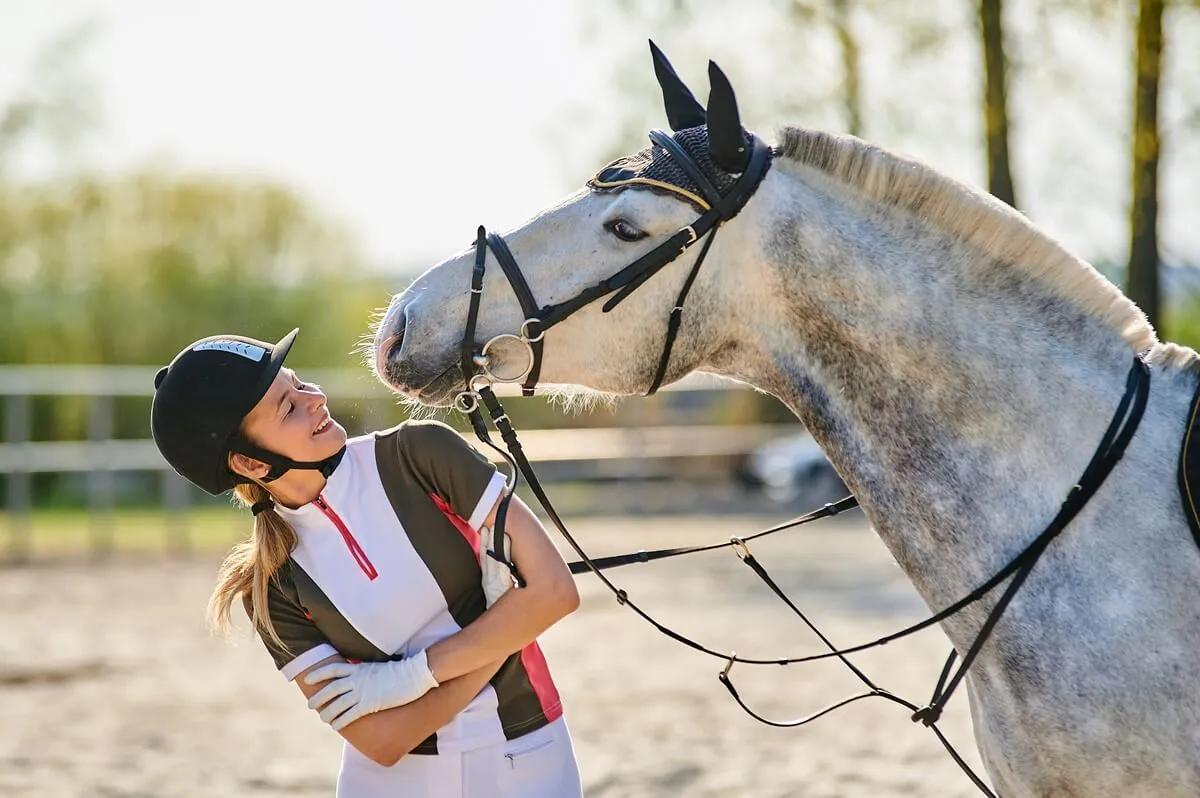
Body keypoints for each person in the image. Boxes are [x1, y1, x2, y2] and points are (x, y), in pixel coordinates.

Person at [150, 328, 584, 798]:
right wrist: (502, 629)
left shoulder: (420, 454)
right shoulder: (270, 586)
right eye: (288, 407)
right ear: (253, 464)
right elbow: (383, 741)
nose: (314, 399)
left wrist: (406, 680)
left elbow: (556, 593)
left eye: (299, 383)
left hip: (528, 756)